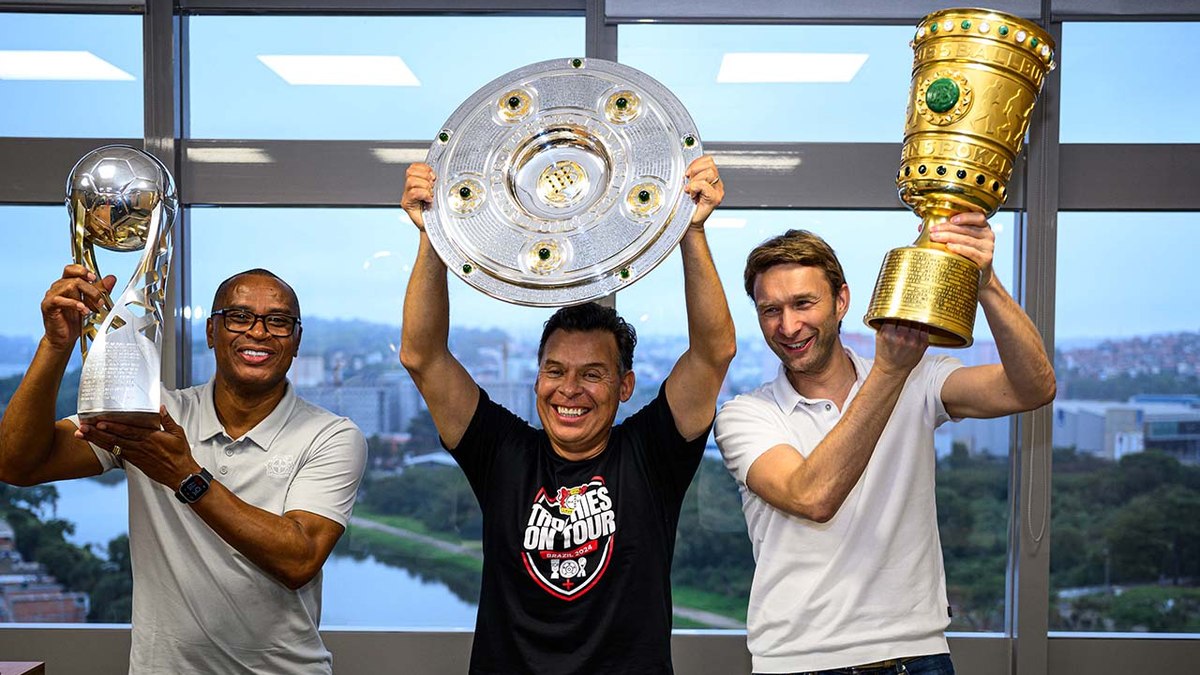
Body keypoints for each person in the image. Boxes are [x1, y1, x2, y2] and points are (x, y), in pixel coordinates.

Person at [399, 156, 736, 674]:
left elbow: (712, 353)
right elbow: (423, 356)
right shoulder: (502, 453)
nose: (569, 389)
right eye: (554, 371)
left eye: (593, 374)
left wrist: (690, 229)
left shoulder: (651, 454)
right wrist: (433, 235)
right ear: (537, 379)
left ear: (624, 386)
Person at [715, 220, 1056, 674]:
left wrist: (985, 282)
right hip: (796, 661)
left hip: (917, 654)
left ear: (841, 301)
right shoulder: (746, 414)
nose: (788, 325)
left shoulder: (920, 378)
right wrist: (889, 373)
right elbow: (813, 497)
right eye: (770, 310)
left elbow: (1033, 388)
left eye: (803, 303)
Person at [0, 267, 367, 675]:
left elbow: (299, 560)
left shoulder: (332, 436)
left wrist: (184, 476)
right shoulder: (152, 415)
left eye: (278, 321)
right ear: (211, 332)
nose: (259, 332)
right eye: (239, 317)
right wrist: (55, 346)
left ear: (296, 341)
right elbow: (17, 463)